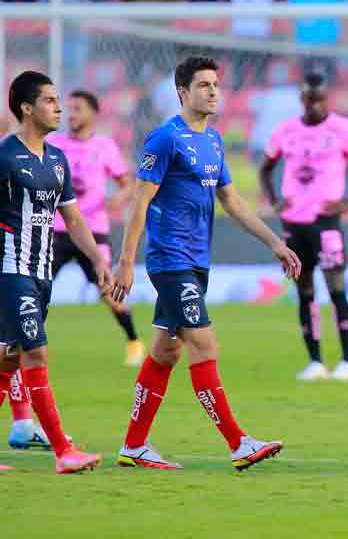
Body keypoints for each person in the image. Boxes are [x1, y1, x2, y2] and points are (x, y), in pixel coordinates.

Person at [112, 57, 301, 471]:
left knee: (165, 352)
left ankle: (134, 445)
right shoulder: (165, 140)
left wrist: (275, 242)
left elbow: (231, 200)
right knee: (204, 344)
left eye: (216, 84)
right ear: (183, 92)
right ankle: (239, 443)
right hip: (170, 261)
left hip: (197, 261)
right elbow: (139, 202)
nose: (213, 91)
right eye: (203, 85)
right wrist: (126, 262)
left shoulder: (213, 141)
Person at [0, 70, 104, 472]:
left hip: (41, 271)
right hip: (8, 269)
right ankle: (64, 451)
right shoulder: (3, 157)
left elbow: (74, 220)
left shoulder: (57, 159)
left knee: (8, 358)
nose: (59, 107)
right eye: (49, 100)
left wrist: (99, 262)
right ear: (26, 108)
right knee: (35, 351)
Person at [0, 58, 57, 451]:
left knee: (13, 340)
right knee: (19, 340)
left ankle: (21, 424)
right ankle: (36, 433)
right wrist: (1, 193)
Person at [260, 72, 348, 382]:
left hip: (327, 222)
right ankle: (315, 362)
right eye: (310, 99)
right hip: (294, 223)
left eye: (320, 99)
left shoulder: (342, 129)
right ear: (302, 100)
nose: (315, 105)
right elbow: (266, 168)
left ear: (327, 99)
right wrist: (274, 201)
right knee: (305, 292)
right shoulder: (286, 131)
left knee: (336, 290)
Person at [47, 90, 143, 366]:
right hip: (56, 230)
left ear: (92, 113)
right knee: (37, 289)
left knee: (107, 292)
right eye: (70, 109)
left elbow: (128, 183)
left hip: (93, 232)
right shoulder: (54, 143)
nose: (71, 114)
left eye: (77, 108)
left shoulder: (104, 146)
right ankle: (22, 345)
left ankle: (134, 340)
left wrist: (120, 198)